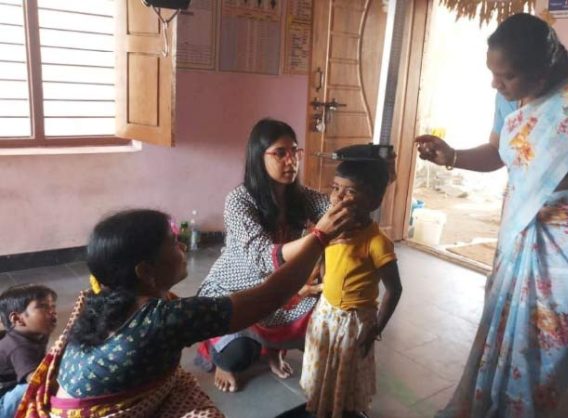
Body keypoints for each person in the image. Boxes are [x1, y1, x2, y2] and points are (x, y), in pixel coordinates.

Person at [415, 13, 568, 418]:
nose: (496, 84)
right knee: (503, 327)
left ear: (543, 70)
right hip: (525, 225)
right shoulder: (510, 96)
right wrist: (452, 156)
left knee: (547, 349)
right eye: (493, 74)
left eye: (506, 76)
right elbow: (499, 153)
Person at [15, 207, 351, 417]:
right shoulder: (163, 319)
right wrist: (319, 237)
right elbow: (270, 296)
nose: (182, 248)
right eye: (173, 244)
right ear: (146, 271)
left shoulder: (98, 299)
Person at [196, 118, 337, 393]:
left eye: (295, 151)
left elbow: (331, 210)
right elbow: (263, 256)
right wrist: (318, 238)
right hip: (235, 291)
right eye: (280, 153)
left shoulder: (300, 196)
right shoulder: (239, 200)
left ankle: (273, 348)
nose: (291, 161)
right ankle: (222, 356)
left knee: (325, 305)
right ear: (258, 157)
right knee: (238, 356)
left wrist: (350, 194)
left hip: (279, 290)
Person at [299, 158, 403, 418]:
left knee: (345, 373)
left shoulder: (378, 243)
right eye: (335, 188)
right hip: (326, 314)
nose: (338, 197)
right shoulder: (330, 230)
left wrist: (376, 328)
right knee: (323, 367)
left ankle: (342, 410)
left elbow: (394, 289)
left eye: (350, 191)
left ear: (373, 201)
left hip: (354, 321)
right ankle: (321, 405)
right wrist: (312, 278)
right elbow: (320, 256)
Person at [0, 285, 57, 418]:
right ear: (17, 319)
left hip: (10, 386)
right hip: (3, 401)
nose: (52, 311)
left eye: (52, 306)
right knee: (27, 389)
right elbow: (36, 380)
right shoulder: (18, 347)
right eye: (42, 306)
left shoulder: (39, 334)